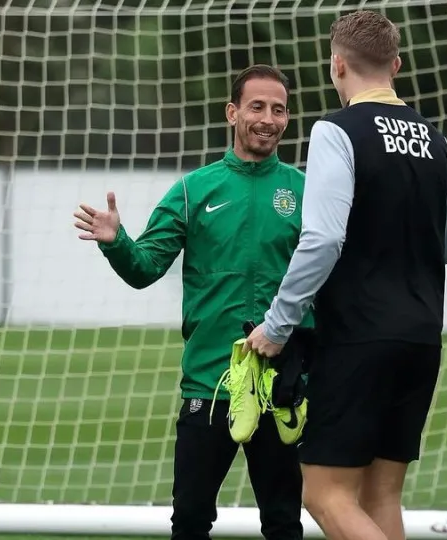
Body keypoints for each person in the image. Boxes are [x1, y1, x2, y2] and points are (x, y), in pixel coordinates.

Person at [73, 64, 313, 540]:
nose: (268, 118)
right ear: (232, 112)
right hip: (209, 383)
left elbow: (326, 280)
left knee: (284, 522)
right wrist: (115, 239)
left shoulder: (306, 191)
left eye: (279, 109)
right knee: (190, 521)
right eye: (257, 106)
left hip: (282, 387)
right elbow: (144, 269)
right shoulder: (192, 191)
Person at [245, 10, 447, 540]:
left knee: (324, 494)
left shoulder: (335, 131)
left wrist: (277, 325)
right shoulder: (436, 139)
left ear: (337, 64)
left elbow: (323, 239)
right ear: (397, 64)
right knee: (379, 494)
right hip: (422, 335)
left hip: (359, 337)